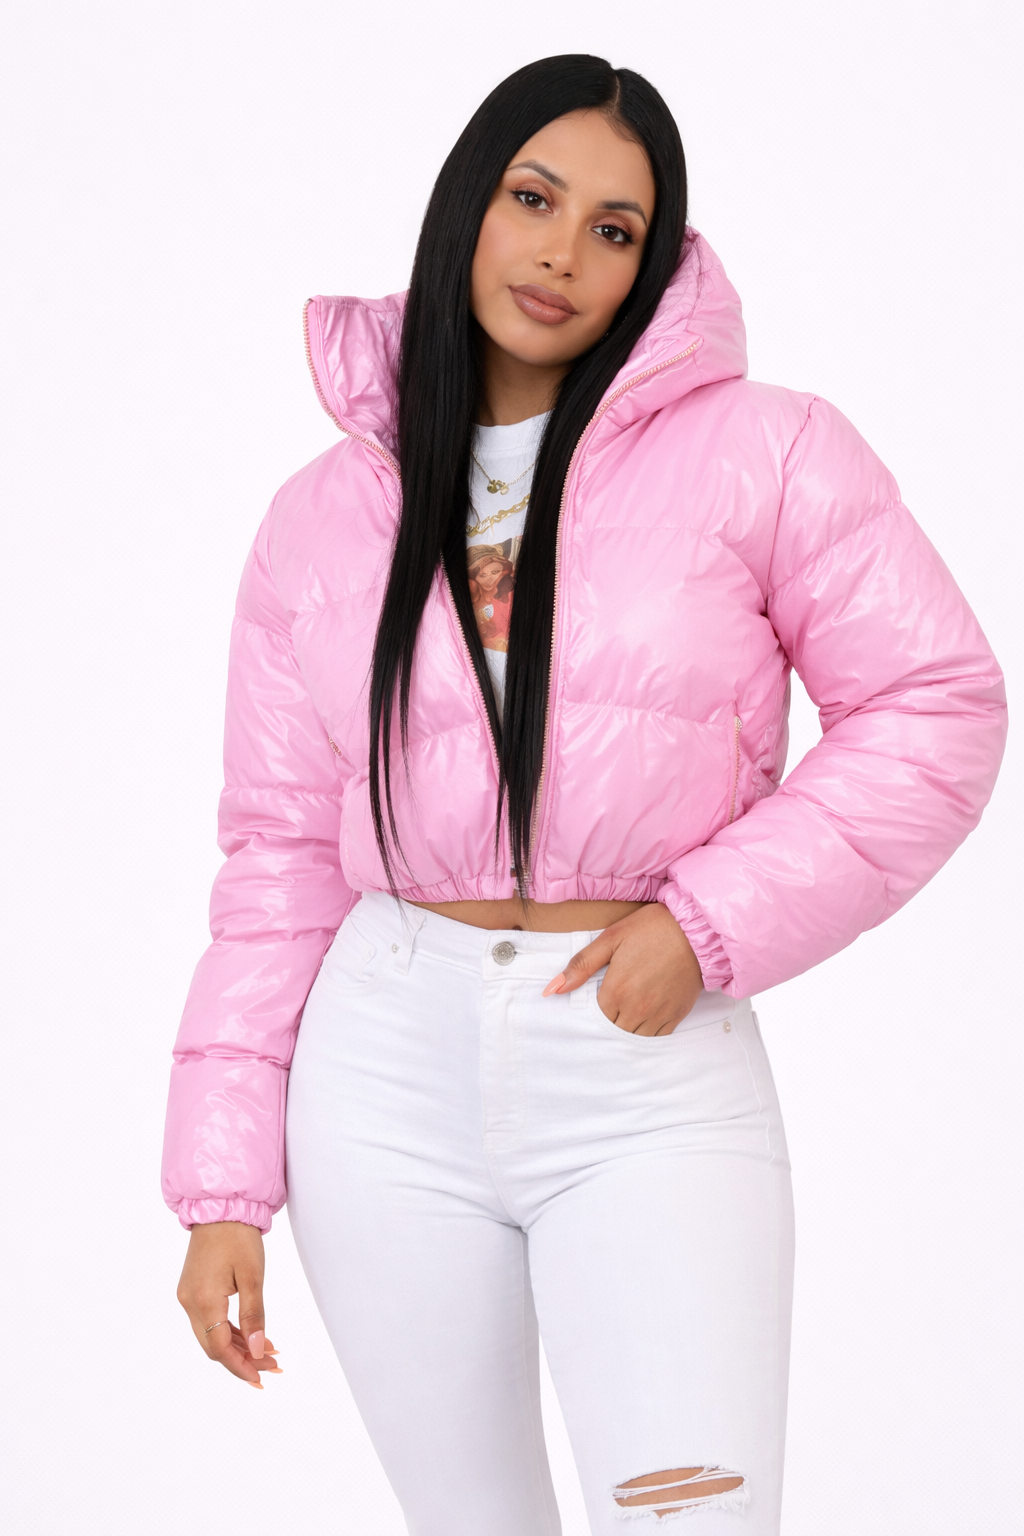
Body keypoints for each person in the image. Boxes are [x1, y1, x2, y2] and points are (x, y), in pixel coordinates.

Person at [165, 55, 1006, 1535]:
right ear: (467, 208)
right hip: (381, 1074)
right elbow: (280, 854)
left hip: (646, 1071)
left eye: (615, 229)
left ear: (651, 263)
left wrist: (705, 923)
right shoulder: (322, 514)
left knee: (693, 1518)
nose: (563, 252)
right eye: (534, 198)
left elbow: (936, 705)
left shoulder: (771, 452)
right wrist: (223, 1185)